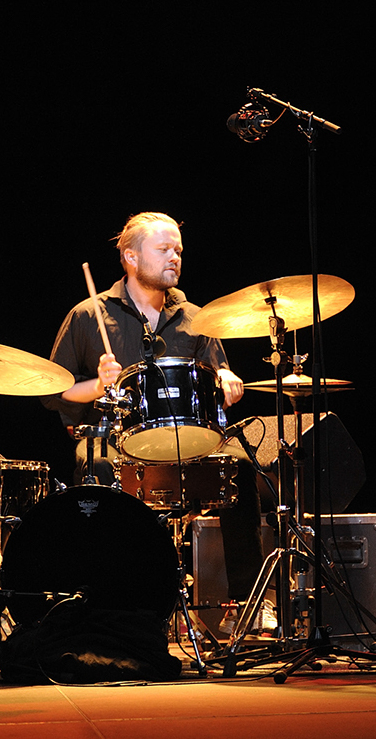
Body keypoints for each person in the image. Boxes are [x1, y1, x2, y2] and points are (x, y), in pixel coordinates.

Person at [41, 211, 272, 636]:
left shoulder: (197, 317)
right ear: (130, 257)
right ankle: (106, 603)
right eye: (163, 249)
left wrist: (225, 376)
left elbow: (215, 374)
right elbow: (54, 389)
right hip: (113, 439)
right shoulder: (89, 315)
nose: (174, 257)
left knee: (238, 467)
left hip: (188, 438)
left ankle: (247, 604)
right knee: (97, 469)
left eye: (178, 250)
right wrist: (98, 384)